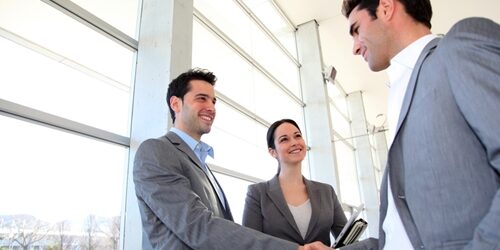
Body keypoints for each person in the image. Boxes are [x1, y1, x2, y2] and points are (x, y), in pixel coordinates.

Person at [340, 0, 500, 249]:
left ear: (385, 7)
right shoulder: (398, 91)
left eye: (356, 29)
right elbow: (401, 231)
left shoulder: (458, 48)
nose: (354, 48)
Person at [133, 68, 332, 250]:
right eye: (202, 99)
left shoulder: (199, 163)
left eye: (213, 101)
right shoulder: (156, 151)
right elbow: (197, 226)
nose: (211, 107)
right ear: (176, 103)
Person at [242, 119, 348, 246]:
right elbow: (250, 243)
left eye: (297, 136)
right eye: (284, 139)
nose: (294, 142)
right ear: (273, 152)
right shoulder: (257, 193)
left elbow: (348, 241)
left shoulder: (327, 192)